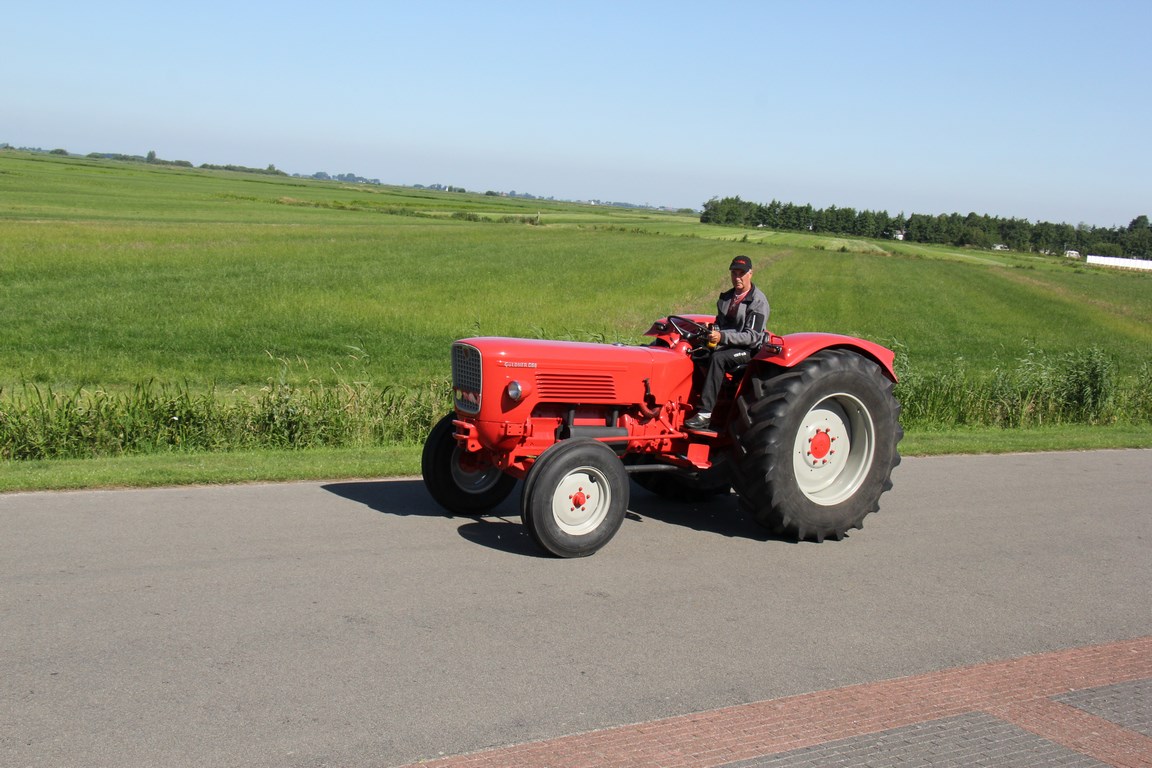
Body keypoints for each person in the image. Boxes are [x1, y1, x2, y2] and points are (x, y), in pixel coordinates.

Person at [684, 255, 770, 430]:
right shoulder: (726, 298)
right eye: (734, 273)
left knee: (718, 358)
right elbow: (721, 324)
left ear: (750, 274)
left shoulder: (758, 302)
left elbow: (752, 336)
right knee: (697, 352)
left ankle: (705, 414)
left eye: (741, 274)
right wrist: (711, 329)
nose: (737, 278)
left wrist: (722, 337)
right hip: (727, 344)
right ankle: (697, 398)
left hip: (748, 350)